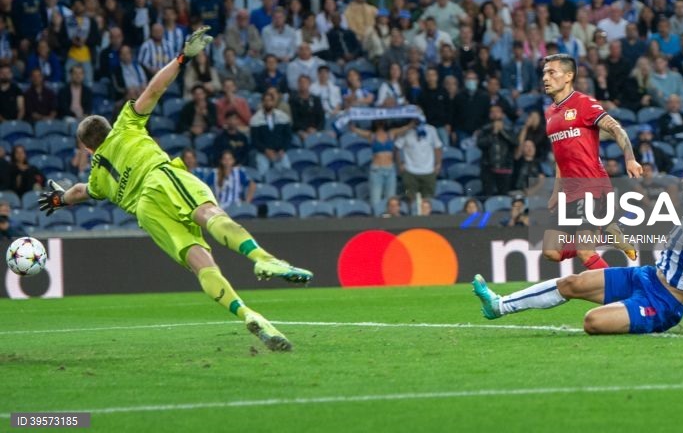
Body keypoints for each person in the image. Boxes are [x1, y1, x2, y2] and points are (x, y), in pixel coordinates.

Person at [38, 27, 312, 352]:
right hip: (159, 178)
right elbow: (154, 90)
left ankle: (247, 313)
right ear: (108, 128)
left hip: (146, 213)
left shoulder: (98, 177)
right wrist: (182, 58)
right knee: (209, 212)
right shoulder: (125, 125)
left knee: (201, 263)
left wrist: (59, 198)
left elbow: (81, 192)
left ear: (87, 149)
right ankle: (264, 259)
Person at [473, 156, 683, 337]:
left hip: (664, 303)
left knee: (592, 321)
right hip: (646, 276)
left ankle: (633, 311)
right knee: (572, 283)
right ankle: (498, 305)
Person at [540, 54, 641, 270]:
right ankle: (607, 233)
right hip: (569, 190)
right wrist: (556, 191)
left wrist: (630, 159)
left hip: (590, 186)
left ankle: (621, 295)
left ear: (568, 76)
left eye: (551, 72)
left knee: (585, 251)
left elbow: (616, 129)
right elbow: (561, 156)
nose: (545, 78)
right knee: (550, 251)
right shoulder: (550, 113)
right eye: (544, 73)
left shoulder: (584, 103)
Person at [348, 120, 413, 208]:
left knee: (391, 199)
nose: (381, 123)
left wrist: (413, 122)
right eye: (379, 121)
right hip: (376, 170)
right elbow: (355, 130)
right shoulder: (372, 136)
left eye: (382, 121)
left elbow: (405, 128)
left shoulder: (391, 133)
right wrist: (352, 124)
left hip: (390, 170)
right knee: (375, 200)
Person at [395, 122, 443, 201]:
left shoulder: (431, 129)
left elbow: (437, 147)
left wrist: (438, 164)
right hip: (410, 172)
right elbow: (397, 147)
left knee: (428, 201)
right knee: (410, 199)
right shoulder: (406, 131)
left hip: (428, 171)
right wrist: (399, 164)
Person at [477, 105, 517, 196]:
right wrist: (494, 133)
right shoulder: (485, 129)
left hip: (505, 167)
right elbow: (480, 144)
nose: (495, 114)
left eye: (497, 111)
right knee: (488, 195)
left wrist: (502, 131)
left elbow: (515, 143)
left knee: (504, 196)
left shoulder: (509, 129)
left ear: (502, 115)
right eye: (492, 112)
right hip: (488, 168)